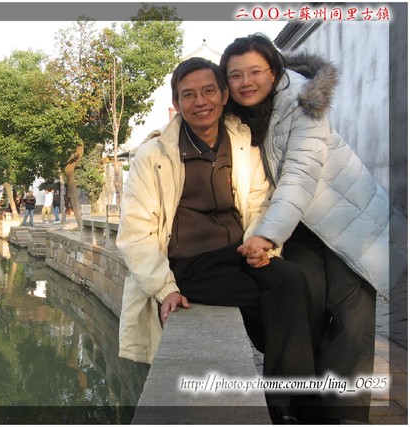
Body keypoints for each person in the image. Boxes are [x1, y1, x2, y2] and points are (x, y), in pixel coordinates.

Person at [116, 57, 317, 423]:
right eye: (188, 95)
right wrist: (164, 288)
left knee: (291, 279)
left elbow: (259, 200)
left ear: (224, 95)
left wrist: (261, 243)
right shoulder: (153, 156)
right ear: (176, 103)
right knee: (279, 305)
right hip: (188, 264)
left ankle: (288, 404)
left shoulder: (242, 142)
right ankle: (291, 408)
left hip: (238, 253)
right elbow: (135, 232)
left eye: (209, 91)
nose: (200, 102)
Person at [220, 34, 397, 423]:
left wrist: (266, 235)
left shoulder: (302, 103)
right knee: (303, 319)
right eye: (235, 75)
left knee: (352, 328)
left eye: (255, 71)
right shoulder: (234, 117)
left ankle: (345, 418)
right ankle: (303, 413)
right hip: (299, 228)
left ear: (274, 71)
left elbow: (299, 175)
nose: (246, 82)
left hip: (349, 223)